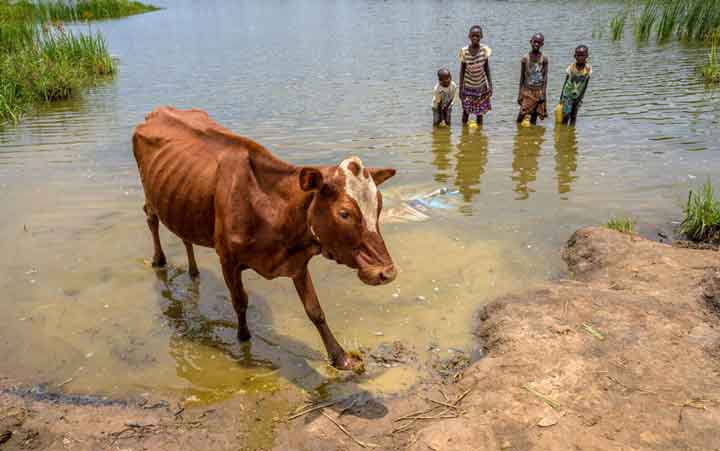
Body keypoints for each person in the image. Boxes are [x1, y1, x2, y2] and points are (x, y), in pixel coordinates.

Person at [459, 25, 493, 126]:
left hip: (481, 87)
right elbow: (462, 71)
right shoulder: (464, 51)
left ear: (481, 36)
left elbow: (487, 69)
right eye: (473, 35)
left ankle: (479, 135)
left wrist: (490, 85)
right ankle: (463, 134)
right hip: (468, 87)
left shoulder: (484, 50)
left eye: (477, 36)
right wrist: (461, 89)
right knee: (466, 111)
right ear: (469, 36)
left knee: (480, 113)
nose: (475, 38)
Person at [516, 33, 548, 126]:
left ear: (542, 44)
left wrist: (543, 94)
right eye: (535, 42)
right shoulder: (525, 58)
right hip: (527, 91)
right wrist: (520, 94)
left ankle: (532, 137)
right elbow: (522, 77)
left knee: (534, 116)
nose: (536, 44)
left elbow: (545, 78)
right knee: (521, 115)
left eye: (539, 42)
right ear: (531, 42)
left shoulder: (544, 59)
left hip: (539, 91)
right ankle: (518, 135)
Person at [560, 45, 591, 126]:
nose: (580, 57)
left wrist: (581, 97)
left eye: (582, 55)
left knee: (573, 116)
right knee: (566, 114)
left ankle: (571, 135)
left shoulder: (588, 69)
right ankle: (562, 132)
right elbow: (566, 81)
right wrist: (561, 97)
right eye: (578, 55)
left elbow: (585, 85)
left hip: (578, 96)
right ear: (575, 56)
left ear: (587, 56)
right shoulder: (571, 67)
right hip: (568, 95)